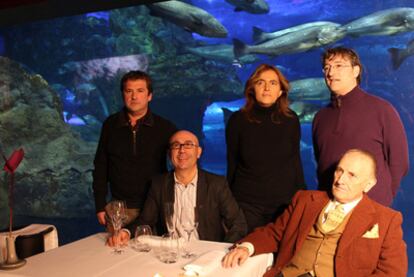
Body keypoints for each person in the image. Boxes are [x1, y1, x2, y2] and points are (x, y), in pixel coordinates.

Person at [222, 149, 407, 277]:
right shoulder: (305, 200)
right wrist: (247, 246)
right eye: (339, 171)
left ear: (369, 184)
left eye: (352, 175)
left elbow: (392, 272)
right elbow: (275, 232)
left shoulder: (387, 219)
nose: (340, 180)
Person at [107, 130, 247, 245]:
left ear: (199, 152)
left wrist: (222, 250)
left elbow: (238, 223)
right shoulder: (158, 184)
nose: (182, 150)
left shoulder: (216, 184)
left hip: (205, 253)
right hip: (170, 252)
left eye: (188, 145)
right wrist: (125, 232)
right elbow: (145, 220)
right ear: (169, 154)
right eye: (176, 145)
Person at [312, 47, 409, 206]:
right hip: (328, 207)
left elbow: (400, 161)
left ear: (356, 71)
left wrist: (383, 196)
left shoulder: (382, 109)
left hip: (372, 205)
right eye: (327, 68)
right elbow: (321, 162)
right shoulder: (320, 117)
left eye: (338, 66)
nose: (331, 73)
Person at [226, 64, 305, 232]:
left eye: (273, 83)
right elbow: (232, 163)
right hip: (247, 202)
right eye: (261, 82)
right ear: (252, 88)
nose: (267, 87)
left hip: (283, 202)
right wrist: (229, 202)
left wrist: (302, 196)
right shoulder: (237, 120)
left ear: (281, 91)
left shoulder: (291, 120)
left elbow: (295, 161)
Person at [92, 70, 177, 227]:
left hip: (155, 207)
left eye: (140, 91)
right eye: (129, 91)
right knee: (115, 250)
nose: (134, 96)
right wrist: (99, 205)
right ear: (123, 94)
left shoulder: (165, 127)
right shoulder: (110, 125)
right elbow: (101, 166)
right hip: (119, 209)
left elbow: (181, 161)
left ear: (149, 96)